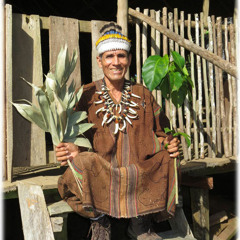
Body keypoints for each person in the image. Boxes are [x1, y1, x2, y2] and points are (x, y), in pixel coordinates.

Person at [56, 22, 180, 240]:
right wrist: (71, 148)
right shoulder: (86, 94)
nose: (116, 62)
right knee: (81, 164)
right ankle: (99, 220)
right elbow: (70, 136)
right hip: (102, 173)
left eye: (121, 56)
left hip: (138, 172)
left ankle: (140, 221)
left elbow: (163, 132)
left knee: (168, 158)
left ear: (129, 60)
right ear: (99, 61)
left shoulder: (143, 94)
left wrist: (172, 144)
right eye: (109, 56)